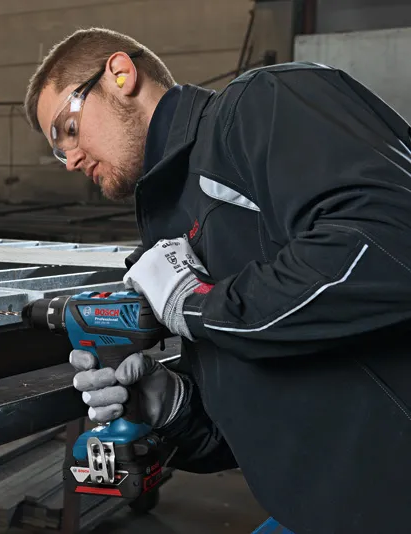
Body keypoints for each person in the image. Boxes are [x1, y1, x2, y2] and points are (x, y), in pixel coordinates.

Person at [23, 27, 411, 534]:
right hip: (318, 510)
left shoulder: (260, 107)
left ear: (120, 74)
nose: (70, 158)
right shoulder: (167, 228)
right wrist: (175, 406)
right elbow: (247, 424)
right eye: (58, 149)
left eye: (66, 130)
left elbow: (389, 246)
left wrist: (195, 306)